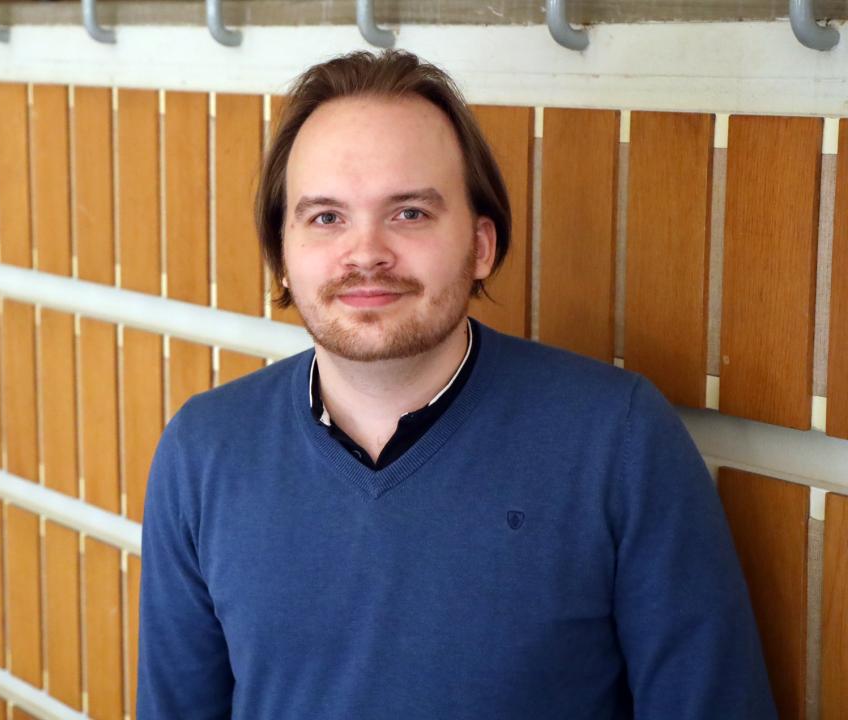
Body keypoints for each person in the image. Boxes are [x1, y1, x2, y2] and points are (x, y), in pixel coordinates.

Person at [136, 50, 776, 719]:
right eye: (326, 217)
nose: (366, 253)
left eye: (409, 212)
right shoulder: (202, 452)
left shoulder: (617, 441)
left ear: (480, 245)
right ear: (283, 256)